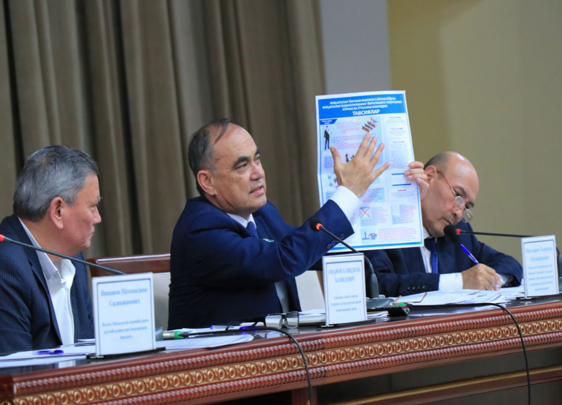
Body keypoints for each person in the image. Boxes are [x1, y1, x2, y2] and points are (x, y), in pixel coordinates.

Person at [168, 118, 406, 328]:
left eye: (257, 159)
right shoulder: (200, 230)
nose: (258, 173)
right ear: (208, 182)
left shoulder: (262, 214)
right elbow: (286, 258)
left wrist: (399, 214)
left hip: (282, 352)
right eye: (242, 166)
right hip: (223, 362)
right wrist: (348, 192)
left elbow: (315, 249)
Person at [368, 152, 522, 297]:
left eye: (466, 206)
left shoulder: (458, 233)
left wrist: (491, 281)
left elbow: (510, 265)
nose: (459, 213)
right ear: (429, 177)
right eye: (457, 195)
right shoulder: (384, 226)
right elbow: (377, 284)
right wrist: (459, 282)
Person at [0, 145, 101, 353]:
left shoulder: (73, 258)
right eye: (92, 207)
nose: (98, 218)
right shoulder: (6, 266)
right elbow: (14, 367)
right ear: (58, 210)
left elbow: (88, 349)